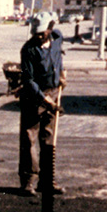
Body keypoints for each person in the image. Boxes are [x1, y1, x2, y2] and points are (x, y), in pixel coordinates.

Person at [19, 11, 66, 197]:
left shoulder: (57, 37)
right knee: (29, 139)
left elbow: (60, 59)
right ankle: (28, 181)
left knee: (49, 139)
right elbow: (28, 81)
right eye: (35, 33)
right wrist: (45, 101)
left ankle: (47, 180)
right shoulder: (28, 50)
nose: (38, 36)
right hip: (34, 96)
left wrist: (62, 75)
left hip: (54, 92)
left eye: (41, 33)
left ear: (50, 28)